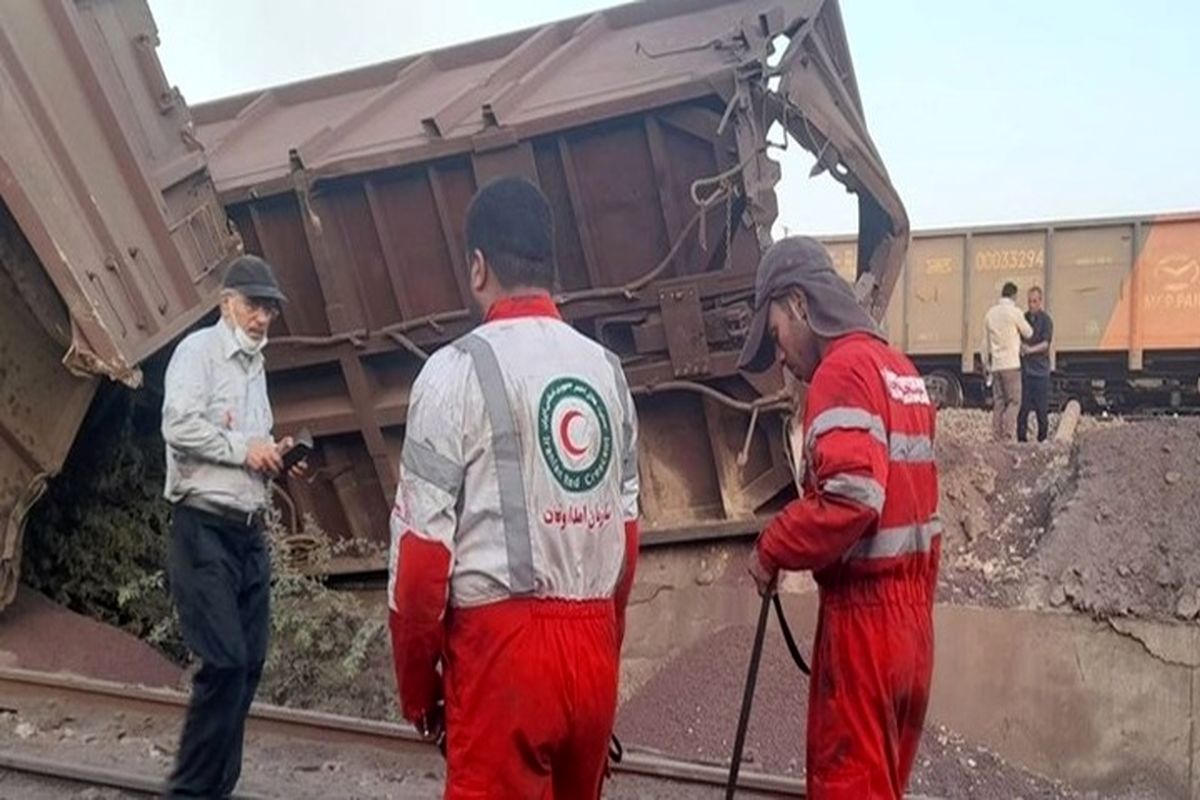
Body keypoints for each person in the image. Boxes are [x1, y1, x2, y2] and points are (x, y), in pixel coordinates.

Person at [387, 176, 640, 799]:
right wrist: (602, 649)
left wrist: (420, 692)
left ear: (478, 267)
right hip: (594, 649)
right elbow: (627, 542)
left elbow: (420, 568)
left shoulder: (452, 373)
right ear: (548, 264)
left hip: (502, 659)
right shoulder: (607, 373)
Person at [738, 236, 940, 800]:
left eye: (775, 332)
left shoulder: (842, 371)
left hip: (866, 629)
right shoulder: (897, 369)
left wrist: (773, 547)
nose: (779, 355)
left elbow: (852, 497)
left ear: (800, 304)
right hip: (911, 628)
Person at [160, 254, 304, 798]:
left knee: (249, 665)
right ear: (226, 304)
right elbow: (177, 426)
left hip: (247, 532)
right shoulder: (197, 353)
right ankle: (189, 793)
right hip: (202, 529)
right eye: (253, 305)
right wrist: (244, 450)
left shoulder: (254, 367)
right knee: (223, 662)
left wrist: (276, 455)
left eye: (269, 308)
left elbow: (250, 447)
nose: (262, 317)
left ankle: (218, 787)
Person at [981, 281, 1034, 441]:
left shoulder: (990, 313)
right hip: (1011, 364)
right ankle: (1007, 435)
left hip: (996, 365)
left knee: (999, 402)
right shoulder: (1015, 312)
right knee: (1014, 401)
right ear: (1014, 295)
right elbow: (1029, 333)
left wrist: (986, 365)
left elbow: (985, 344)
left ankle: (996, 436)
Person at [1018, 286, 1054, 442]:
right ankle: (1021, 439)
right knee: (1023, 408)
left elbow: (1046, 343)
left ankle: (1042, 439)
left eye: (1034, 301)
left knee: (1041, 409)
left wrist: (1029, 350)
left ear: (1040, 301)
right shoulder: (1023, 318)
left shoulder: (1046, 321)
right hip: (1026, 371)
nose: (1031, 305)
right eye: (1029, 301)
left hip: (1040, 372)